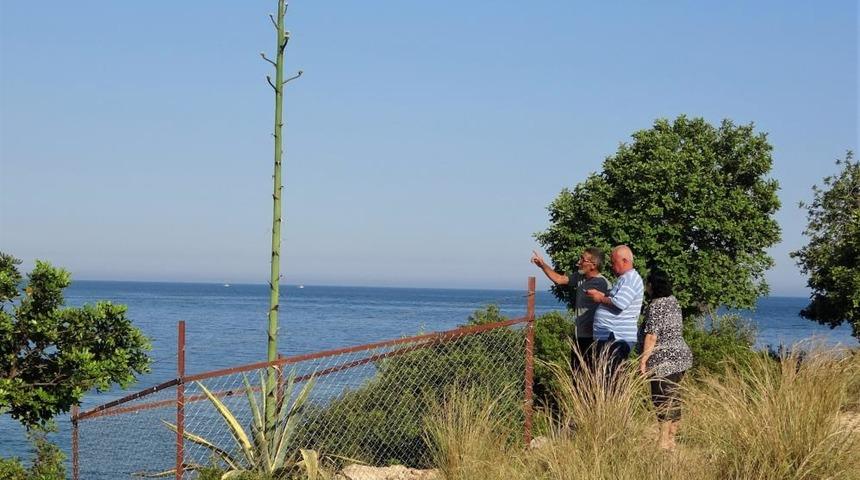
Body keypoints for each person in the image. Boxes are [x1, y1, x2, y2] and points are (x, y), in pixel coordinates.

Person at [639, 268, 693, 450]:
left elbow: (652, 335)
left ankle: (662, 442)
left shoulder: (656, 305)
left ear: (652, 285)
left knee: (661, 400)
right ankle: (672, 440)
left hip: (664, 358)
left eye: (647, 283)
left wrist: (643, 360)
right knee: (674, 398)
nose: (646, 287)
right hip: (682, 355)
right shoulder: (673, 301)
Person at [531, 248, 610, 367]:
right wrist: (542, 265)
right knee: (577, 375)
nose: (578, 262)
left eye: (582, 259)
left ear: (593, 265)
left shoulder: (603, 283)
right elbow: (559, 279)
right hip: (579, 336)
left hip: (595, 338)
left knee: (592, 376)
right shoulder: (580, 277)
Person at [584, 245, 644, 380]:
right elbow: (616, 300)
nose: (611, 266)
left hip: (616, 337)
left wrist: (600, 298)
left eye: (613, 262)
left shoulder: (630, 279)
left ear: (625, 261)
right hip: (611, 337)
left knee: (611, 378)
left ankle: (611, 401)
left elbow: (620, 303)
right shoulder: (625, 279)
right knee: (607, 376)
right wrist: (603, 295)